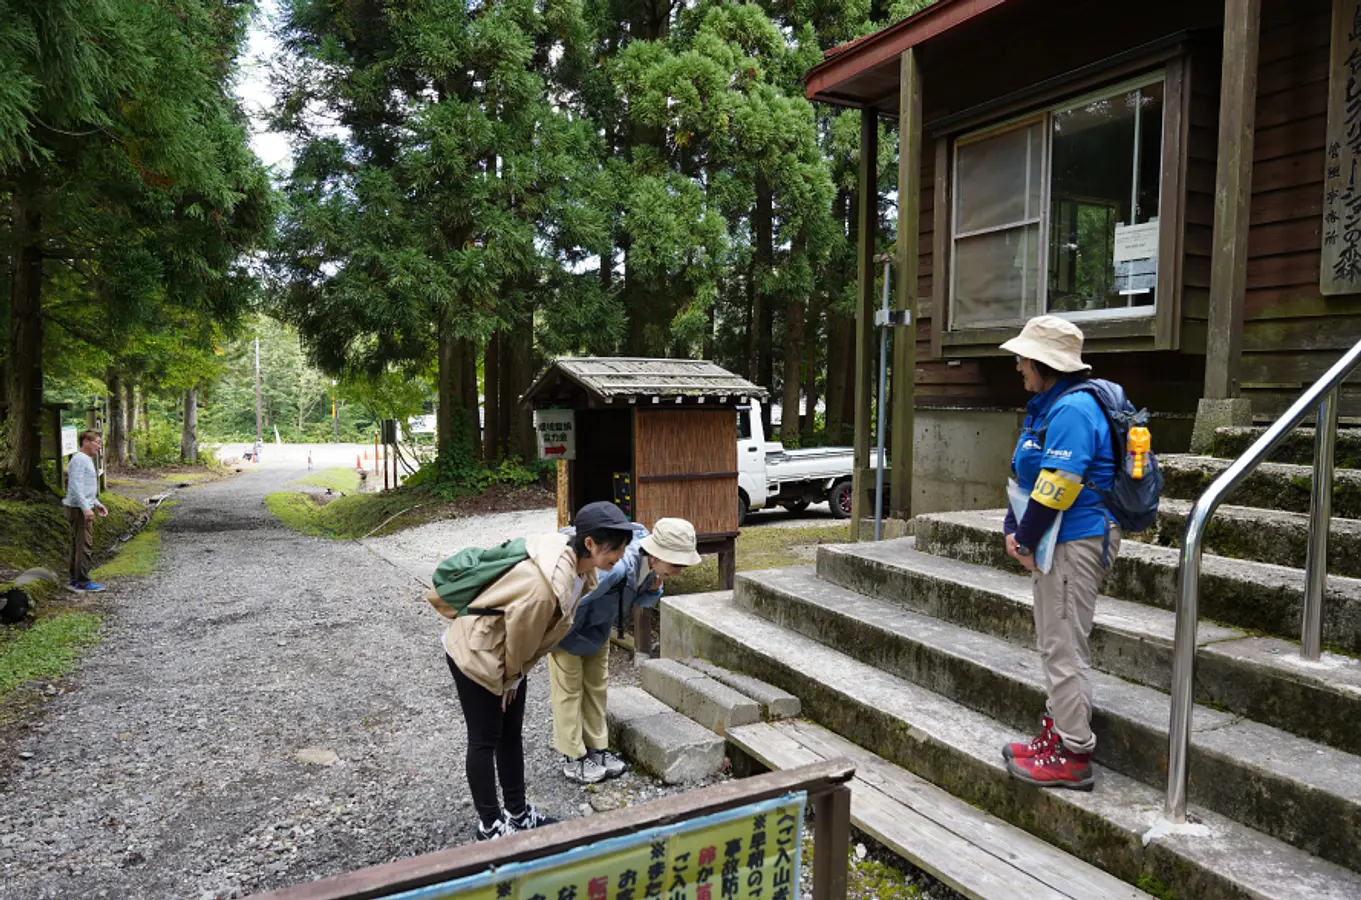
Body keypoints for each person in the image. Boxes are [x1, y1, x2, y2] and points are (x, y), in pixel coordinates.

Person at [442, 501, 634, 840]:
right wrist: (510, 678)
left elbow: (525, 641)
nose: (620, 555)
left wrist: (514, 677)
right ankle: (490, 825)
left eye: (623, 547)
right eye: (614, 548)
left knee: (511, 733)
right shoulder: (547, 587)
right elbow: (520, 635)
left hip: (507, 654)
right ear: (589, 543)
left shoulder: (578, 568)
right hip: (476, 651)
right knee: (485, 739)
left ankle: (517, 813)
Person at [999, 316, 1121, 791]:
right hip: (1057, 537)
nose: (1018, 365)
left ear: (1044, 363)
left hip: (1074, 539)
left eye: (1024, 358)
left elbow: (1057, 487)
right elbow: (1028, 476)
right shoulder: (1048, 406)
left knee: (1064, 645)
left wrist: (1025, 539)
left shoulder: (1072, 411)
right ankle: (1056, 735)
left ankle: (1073, 754)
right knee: (1055, 640)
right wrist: (1015, 527)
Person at [549, 517, 701, 784]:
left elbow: (637, 600)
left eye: (682, 567)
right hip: (568, 629)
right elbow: (569, 598)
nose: (678, 572)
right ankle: (573, 756)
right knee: (569, 690)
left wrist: (655, 588)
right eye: (675, 565)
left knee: (597, 686)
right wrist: (549, 636)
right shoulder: (616, 567)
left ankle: (597, 748)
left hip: (599, 627)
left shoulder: (650, 569)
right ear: (655, 554)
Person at [62, 430, 109, 594]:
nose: (98, 446)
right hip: (78, 509)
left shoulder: (84, 459)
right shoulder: (79, 460)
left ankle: (75, 580)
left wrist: (96, 503)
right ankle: (83, 581)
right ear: (86, 442)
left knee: (78, 545)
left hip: (81, 506)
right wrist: (85, 508)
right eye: (97, 442)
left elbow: (84, 488)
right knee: (84, 545)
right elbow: (75, 486)